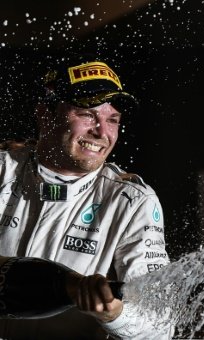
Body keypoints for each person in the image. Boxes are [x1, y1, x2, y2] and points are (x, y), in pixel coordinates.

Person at [0, 53, 171, 339]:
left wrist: (114, 314)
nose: (102, 132)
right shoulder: (4, 170)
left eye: (113, 119)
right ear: (45, 115)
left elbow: (161, 327)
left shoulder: (132, 201)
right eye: (87, 114)